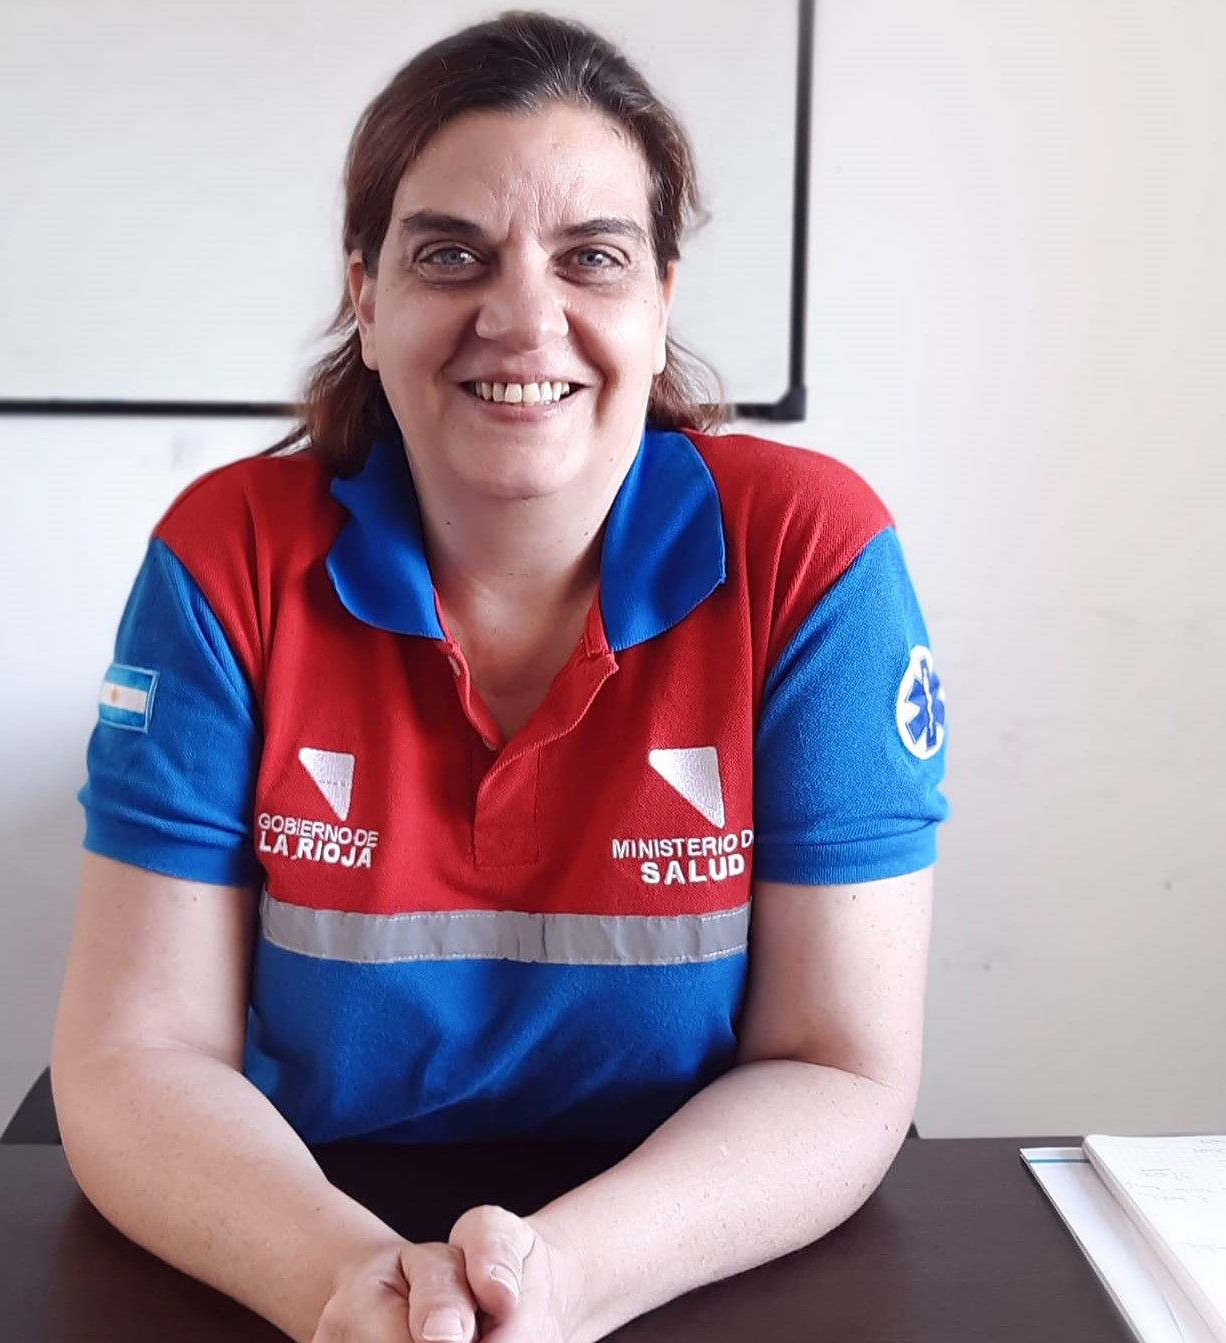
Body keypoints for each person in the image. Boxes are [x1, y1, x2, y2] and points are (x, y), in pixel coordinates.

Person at [52, 11, 947, 1343]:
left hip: (698, 1229)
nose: (523, 318)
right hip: (307, 1209)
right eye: (449, 254)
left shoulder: (811, 555)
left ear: (661, 303)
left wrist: (561, 1282)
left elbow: (838, 1063)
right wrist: (348, 1285)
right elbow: (139, 1051)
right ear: (367, 300)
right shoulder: (227, 554)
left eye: (593, 257)